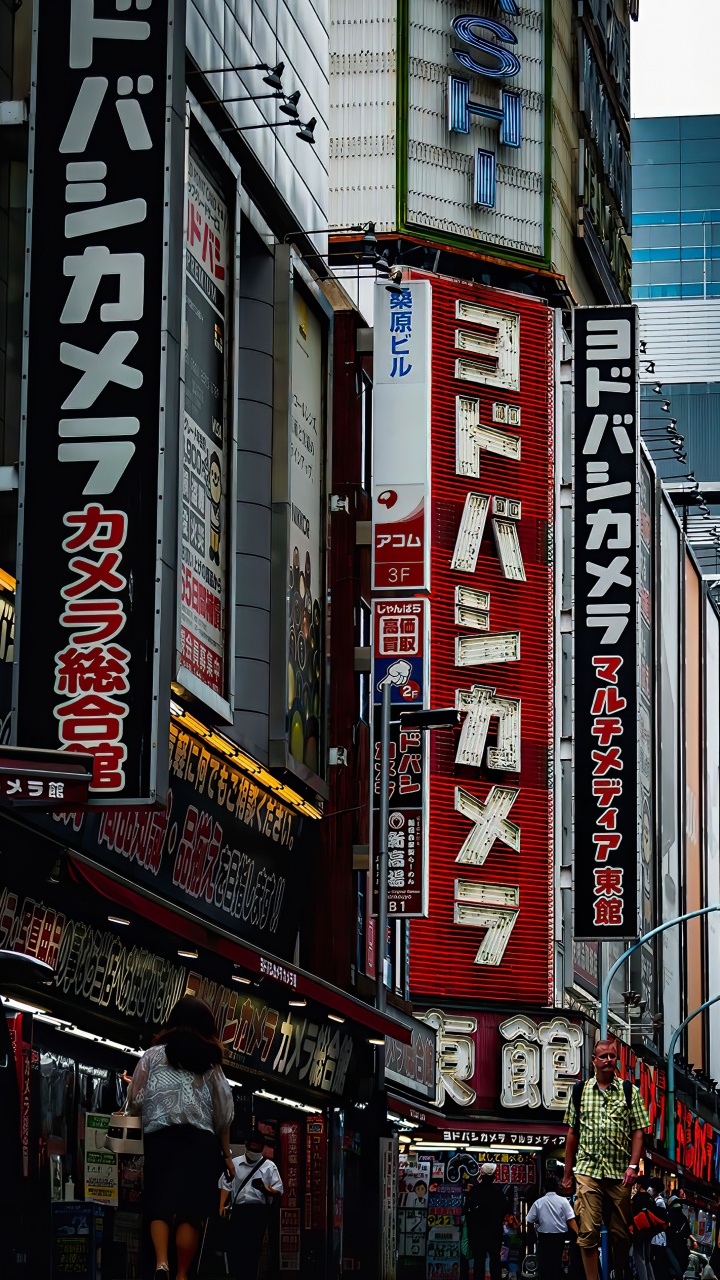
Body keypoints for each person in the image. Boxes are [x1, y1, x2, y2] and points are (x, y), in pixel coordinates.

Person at [124, 996, 234, 1280]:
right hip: (200, 1144)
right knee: (191, 1210)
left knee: (158, 1200)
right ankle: (182, 1273)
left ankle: (162, 1263)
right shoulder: (211, 1064)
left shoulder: (152, 1056)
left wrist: (142, 1104)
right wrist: (227, 1156)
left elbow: (135, 1099)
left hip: (160, 1137)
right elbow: (224, 1114)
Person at [562, 1038, 650, 1280]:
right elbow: (572, 1133)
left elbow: (639, 1131)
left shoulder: (629, 1091)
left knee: (621, 1235)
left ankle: (618, 1270)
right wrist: (568, 1173)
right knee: (588, 1231)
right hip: (588, 1170)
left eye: (612, 1056)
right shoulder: (580, 1091)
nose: (608, 1060)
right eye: (603, 1057)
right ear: (594, 1061)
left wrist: (633, 1166)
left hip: (619, 1173)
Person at [219, 1128, 283, 1280]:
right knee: (236, 1248)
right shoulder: (234, 1163)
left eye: (257, 1146)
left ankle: (250, 1275)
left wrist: (265, 1189)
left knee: (253, 1249)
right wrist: (221, 1206)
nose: (254, 1149)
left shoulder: (269, 1166)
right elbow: (226, 1184)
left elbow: (278, 1190)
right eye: (252, 1146)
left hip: (257, 1211)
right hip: (238, 1210)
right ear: (246, 1145)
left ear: (262, 1147)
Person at [526, 1175, 577, 1278]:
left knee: (544, 1262)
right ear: (557, 1187)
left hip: (544, 1237)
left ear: (544, 1188)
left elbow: (529, 1220)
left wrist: (531, 1236)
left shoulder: (539, 1202)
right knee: (557, 1261)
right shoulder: (563, 1201)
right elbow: (570, 1219)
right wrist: (578, 1234)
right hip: (560, 1237)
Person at [464, 1162, 506, 1280]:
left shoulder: (474, 1192)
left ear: (481, 1175)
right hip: (494, 1233)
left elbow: (467, 1212)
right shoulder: (498, 1193)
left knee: (479, 1262)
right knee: (495, 1262)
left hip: (477, 1234)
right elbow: (504, 1212)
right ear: (494, 1176)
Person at [647, 1178, 670, 1280]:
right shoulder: (655, 1200)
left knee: (657, 1264)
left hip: (658, 1239)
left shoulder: (659, 1202)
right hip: (655, 1238)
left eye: (651, 1187)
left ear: (655, 1189)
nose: (649, 1189)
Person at [665, 1195, 691, 1278]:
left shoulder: (668, 1216)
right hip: (681, 1248)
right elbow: (687, 1232)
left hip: (671, 1246)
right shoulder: (683, 1217)